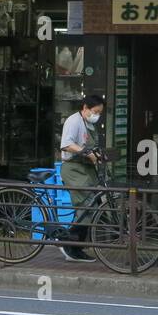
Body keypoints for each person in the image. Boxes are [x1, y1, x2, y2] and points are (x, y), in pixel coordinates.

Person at [58, 94, 106, 262]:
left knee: (92, 204)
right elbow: (66, 144)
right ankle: (69, 244)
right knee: (87, 205)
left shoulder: (88, 123)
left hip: (86, 169)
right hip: (74, 169)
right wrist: (86, 152)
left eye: (99, 113)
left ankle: (75, 245)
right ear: (85, 108)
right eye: (95, 111)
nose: (97, 115)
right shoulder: (74, 121)